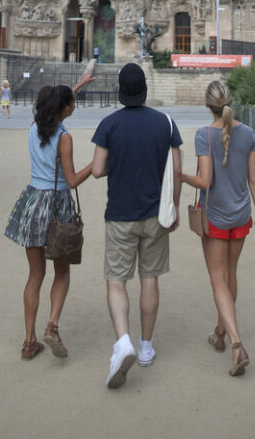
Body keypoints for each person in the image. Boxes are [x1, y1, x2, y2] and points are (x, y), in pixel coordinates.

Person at [91, 63, 182, 389]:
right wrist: (172, 209)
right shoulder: (165, 123)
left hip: (119, 214)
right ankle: (145, 347)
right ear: (145, 88)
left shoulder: (109, 124)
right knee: (149, 279)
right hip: (154, 214)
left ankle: (123, 341)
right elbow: (177, 169)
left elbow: (98, 170)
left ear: (120, 90)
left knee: (116, 281)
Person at [4, 71, 95, 360]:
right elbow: (71, 180)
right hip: (56, 206)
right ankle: (52, 325)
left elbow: (57, 108)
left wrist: (77, 86)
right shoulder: (64, 138)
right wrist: (94, 165)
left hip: (32, 203)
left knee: (35, 275)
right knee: (62, 271)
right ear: (66, 109)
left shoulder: (34, 127)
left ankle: (29, 341)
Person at [180, 79, 255, 377]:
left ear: (207, 106)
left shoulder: (204, 135)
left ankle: (236, 344)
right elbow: (253, 180)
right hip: (241, 214)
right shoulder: (249, 133)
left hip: (215, 215)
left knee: (218, 279)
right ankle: (219, 332)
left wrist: (180, 176)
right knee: (230, 276)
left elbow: (205, 181)